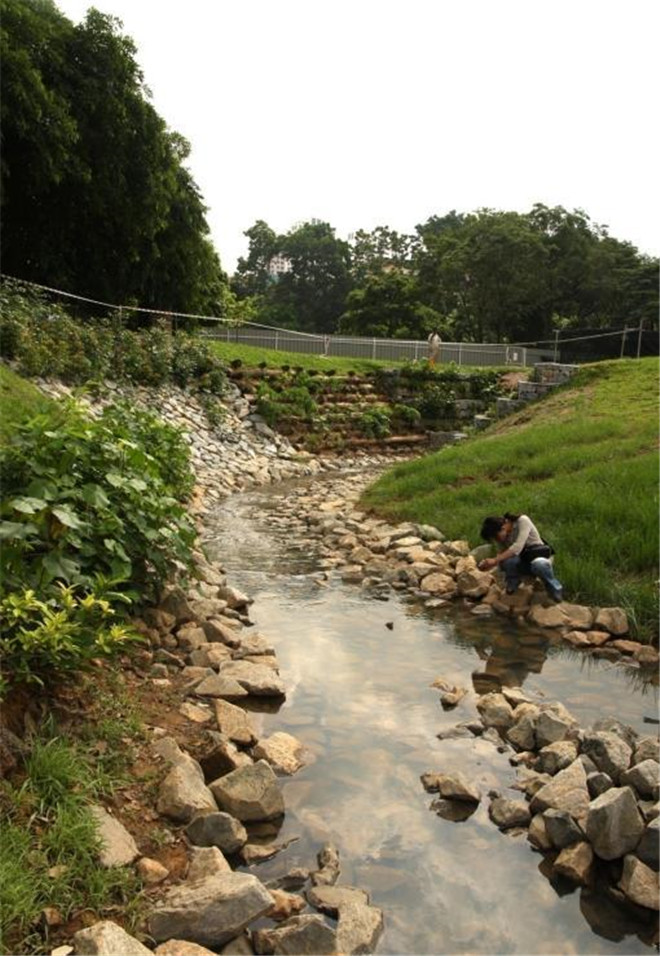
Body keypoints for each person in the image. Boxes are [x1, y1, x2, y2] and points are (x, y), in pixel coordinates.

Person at [477, 512, 564, 603]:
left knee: (539, 564)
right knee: (506, 561)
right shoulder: (502, 535)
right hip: (523, 560)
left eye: (496, 537)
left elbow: (517, 547)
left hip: (538, 557)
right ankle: (513, 584)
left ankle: (555, 589)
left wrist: (495, 560)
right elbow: (501, 554)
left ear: (502, 528)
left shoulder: (522, 521)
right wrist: (489, 564)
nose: (496, 540)